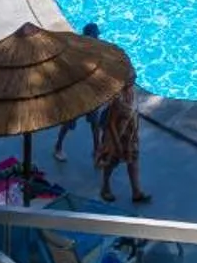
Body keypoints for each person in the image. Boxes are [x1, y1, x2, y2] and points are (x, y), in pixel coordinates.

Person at [53, 24, 107, 162]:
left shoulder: (97, 51)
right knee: (68, 123)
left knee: (95, 123)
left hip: (92, 94)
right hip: (76, 96)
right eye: (96, 36)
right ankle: (58, 146)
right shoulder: (77, 53)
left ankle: (97, 150)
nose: (98, 38)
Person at [94, 74, 149, 204]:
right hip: (116, 134)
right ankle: (105, 188)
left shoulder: (133, 92)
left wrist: (135, 132)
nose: (134, 78)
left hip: (129, 133)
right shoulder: (117, 98)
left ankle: (136, 192)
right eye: (130, 77)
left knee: (133, 160)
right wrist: (117, 143)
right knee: (111, 162)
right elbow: (111, 123)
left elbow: (134, 114)